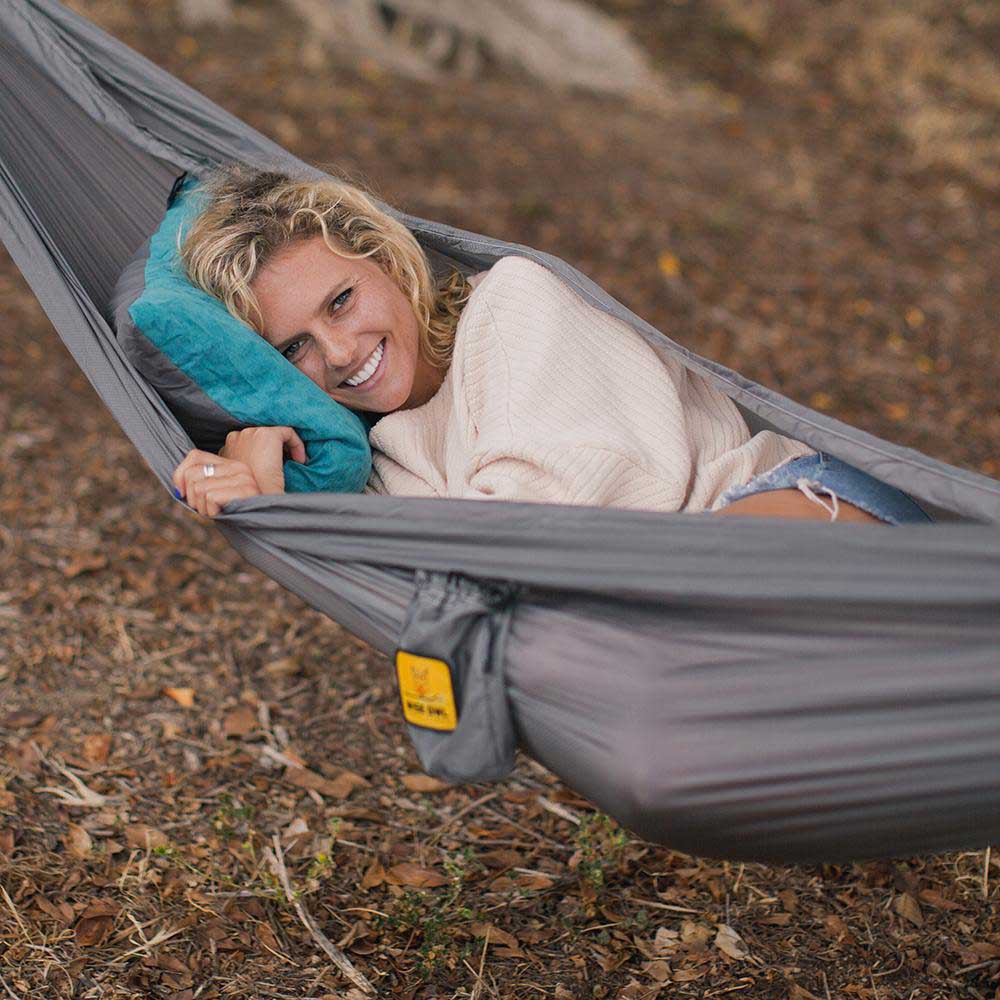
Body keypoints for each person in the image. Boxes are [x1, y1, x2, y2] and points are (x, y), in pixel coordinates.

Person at [172, 164, 932, 527]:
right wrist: (270, 490)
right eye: (296, 348)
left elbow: (539, 524)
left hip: (779, 510)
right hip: (679, 605)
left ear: (387, 259)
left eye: (342, 301)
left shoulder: (516, 303)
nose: (338, 352)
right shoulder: (371, 460)